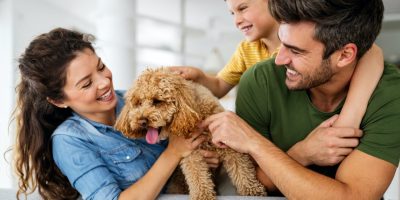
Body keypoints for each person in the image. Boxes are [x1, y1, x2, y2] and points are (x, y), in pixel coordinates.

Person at [202, 0, 400, 198]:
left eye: (296, 51)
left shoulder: (390, 92)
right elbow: (251, 184)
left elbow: (352, 197)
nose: (279, 59)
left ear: (345, 55)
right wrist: (303, 153)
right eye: (282, 43)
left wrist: (254, 143)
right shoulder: (259, 80)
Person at [14, 28, 207, 200]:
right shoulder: (69, 141)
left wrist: (199, 156)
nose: (104, 82)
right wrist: (173, 153)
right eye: (87, 84)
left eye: (101, 67)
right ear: (59, 101)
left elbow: (187, 139)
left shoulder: (135, 99)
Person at [171, 0, 383, 129]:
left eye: (243, 8)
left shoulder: (307, 40)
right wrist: (198, 77)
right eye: (232, 13)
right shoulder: (247, 50)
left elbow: (371, 52)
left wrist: (351, 116)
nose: (236, 20)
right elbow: (219, 86)